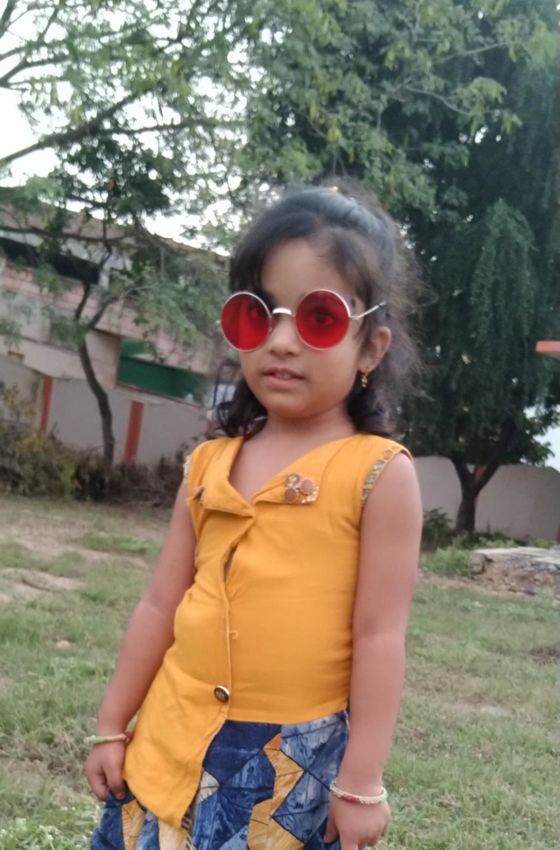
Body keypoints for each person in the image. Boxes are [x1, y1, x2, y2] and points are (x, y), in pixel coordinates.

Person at [86, 184, 423, 850]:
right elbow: (160, 604)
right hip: (169, 738)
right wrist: (111, 723)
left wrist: (361, 782)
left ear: (371, 348)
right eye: (257, 314)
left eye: (319, 318)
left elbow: (380, 636)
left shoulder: (379, 474)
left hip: (286, 766)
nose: (281, 341)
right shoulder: (209, 463)